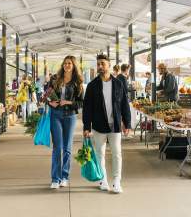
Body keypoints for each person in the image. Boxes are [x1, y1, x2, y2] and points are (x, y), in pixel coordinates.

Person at [82, 54, 131, 194]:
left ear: (109, 65)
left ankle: (116, 181)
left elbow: (124, 104)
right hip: (98, 125)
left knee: (117, 153)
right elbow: (87, 108)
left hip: (115, 125)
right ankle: (103, 179)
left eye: (102, 63)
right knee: (99, 154)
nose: (100, 67)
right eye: (98, 64)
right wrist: (87, 127)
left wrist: (127, 123)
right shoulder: (92, 86)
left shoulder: (118, 84)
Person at [48, 55, 84, 189]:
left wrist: (68, 102)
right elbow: (46, 95)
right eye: (65, 63)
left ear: (74, 66)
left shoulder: (78, 83)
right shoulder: (55, 79)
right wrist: (50, 102)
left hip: (70, 116)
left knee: (67, 148)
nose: (67, 65)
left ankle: (65, 177)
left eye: (69, 63)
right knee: (57, 147)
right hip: (55, 115)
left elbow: (81, 103)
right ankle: (55, 179)